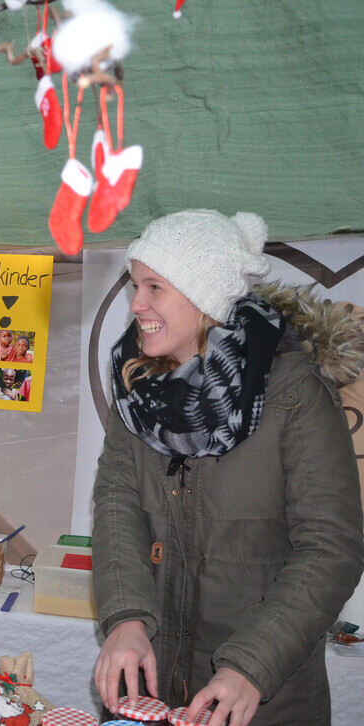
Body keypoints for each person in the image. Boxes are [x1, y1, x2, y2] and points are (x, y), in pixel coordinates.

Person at [92, 210, 364, 726]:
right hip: (159, 692)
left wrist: (250, 666)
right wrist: (126, 618)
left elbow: (332, 547)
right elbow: (116, 506)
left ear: (205, 296)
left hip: (263, 700)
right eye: (135, 285)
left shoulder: (293, 391)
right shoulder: (137, 390)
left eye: (154, 286)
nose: (137, 304)